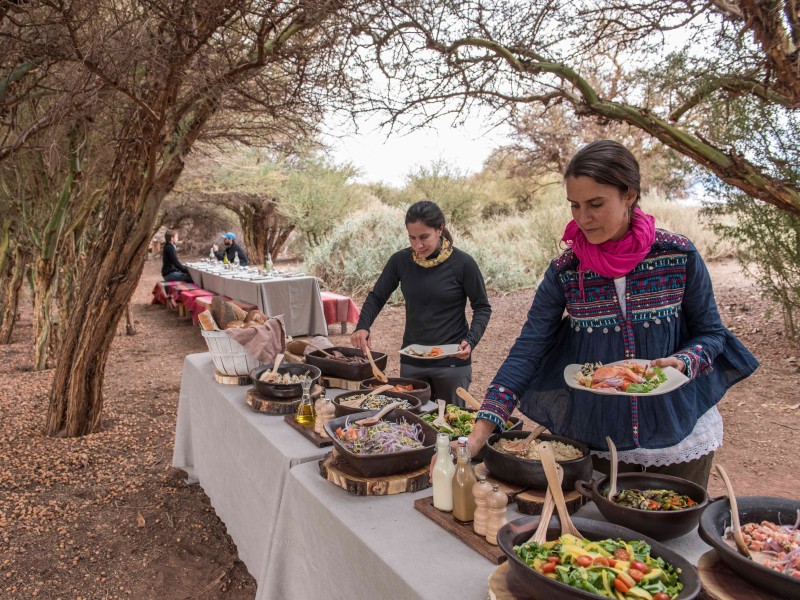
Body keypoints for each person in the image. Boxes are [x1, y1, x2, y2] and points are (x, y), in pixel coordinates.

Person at [464, 140, 758, 488]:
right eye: (574, 205)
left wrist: (683, 361)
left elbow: (712, 334)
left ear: (629, 195)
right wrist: (483, 427)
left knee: (672, 537)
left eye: (595, 204)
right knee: (600, 538)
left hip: (679, 431)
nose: (582, 218)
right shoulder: (566, 271)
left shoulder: (678, 256)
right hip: (597, 438)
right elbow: (529, 348)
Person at [350, 200, 492, 406]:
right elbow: (377, 296)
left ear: (440, 229)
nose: (418, 245)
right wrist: (363, 326)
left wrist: (471, 340)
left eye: (424, 237)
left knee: (450, 426)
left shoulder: (463, 263)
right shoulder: (400, 261)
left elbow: (482, 307)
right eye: (412, 238)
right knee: (414, 423)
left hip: (452, 362)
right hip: (412, 361)